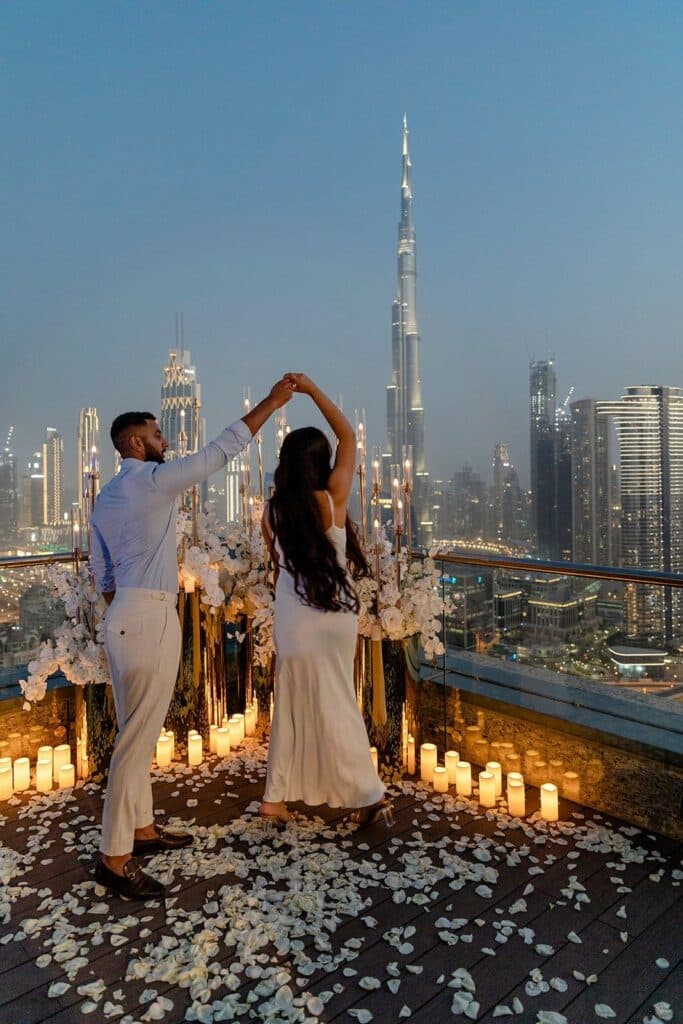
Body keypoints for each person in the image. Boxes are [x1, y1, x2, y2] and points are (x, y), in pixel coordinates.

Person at [90, 377, 294, 899]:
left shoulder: (106, 496)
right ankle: (114, 858)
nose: (164, 440)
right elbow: (219, 452)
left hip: (122, 619)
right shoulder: (153, 481)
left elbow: (103, 575)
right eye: (157, 434)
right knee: (135, 743)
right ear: (135, 443)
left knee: (133, 729)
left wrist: (129, 609)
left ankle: (143, 830)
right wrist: (271, 403)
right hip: (151, 616)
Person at [260, 373, 389, 828]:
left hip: (293, 618)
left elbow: (277, 570)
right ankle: (367, 793)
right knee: (338, 702)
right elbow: (349, 434)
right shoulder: (332, 498)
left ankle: (275, 798)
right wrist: (313, 391)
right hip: (334, 614)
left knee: (290, 703)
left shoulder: (272, 511)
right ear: (322, 463)